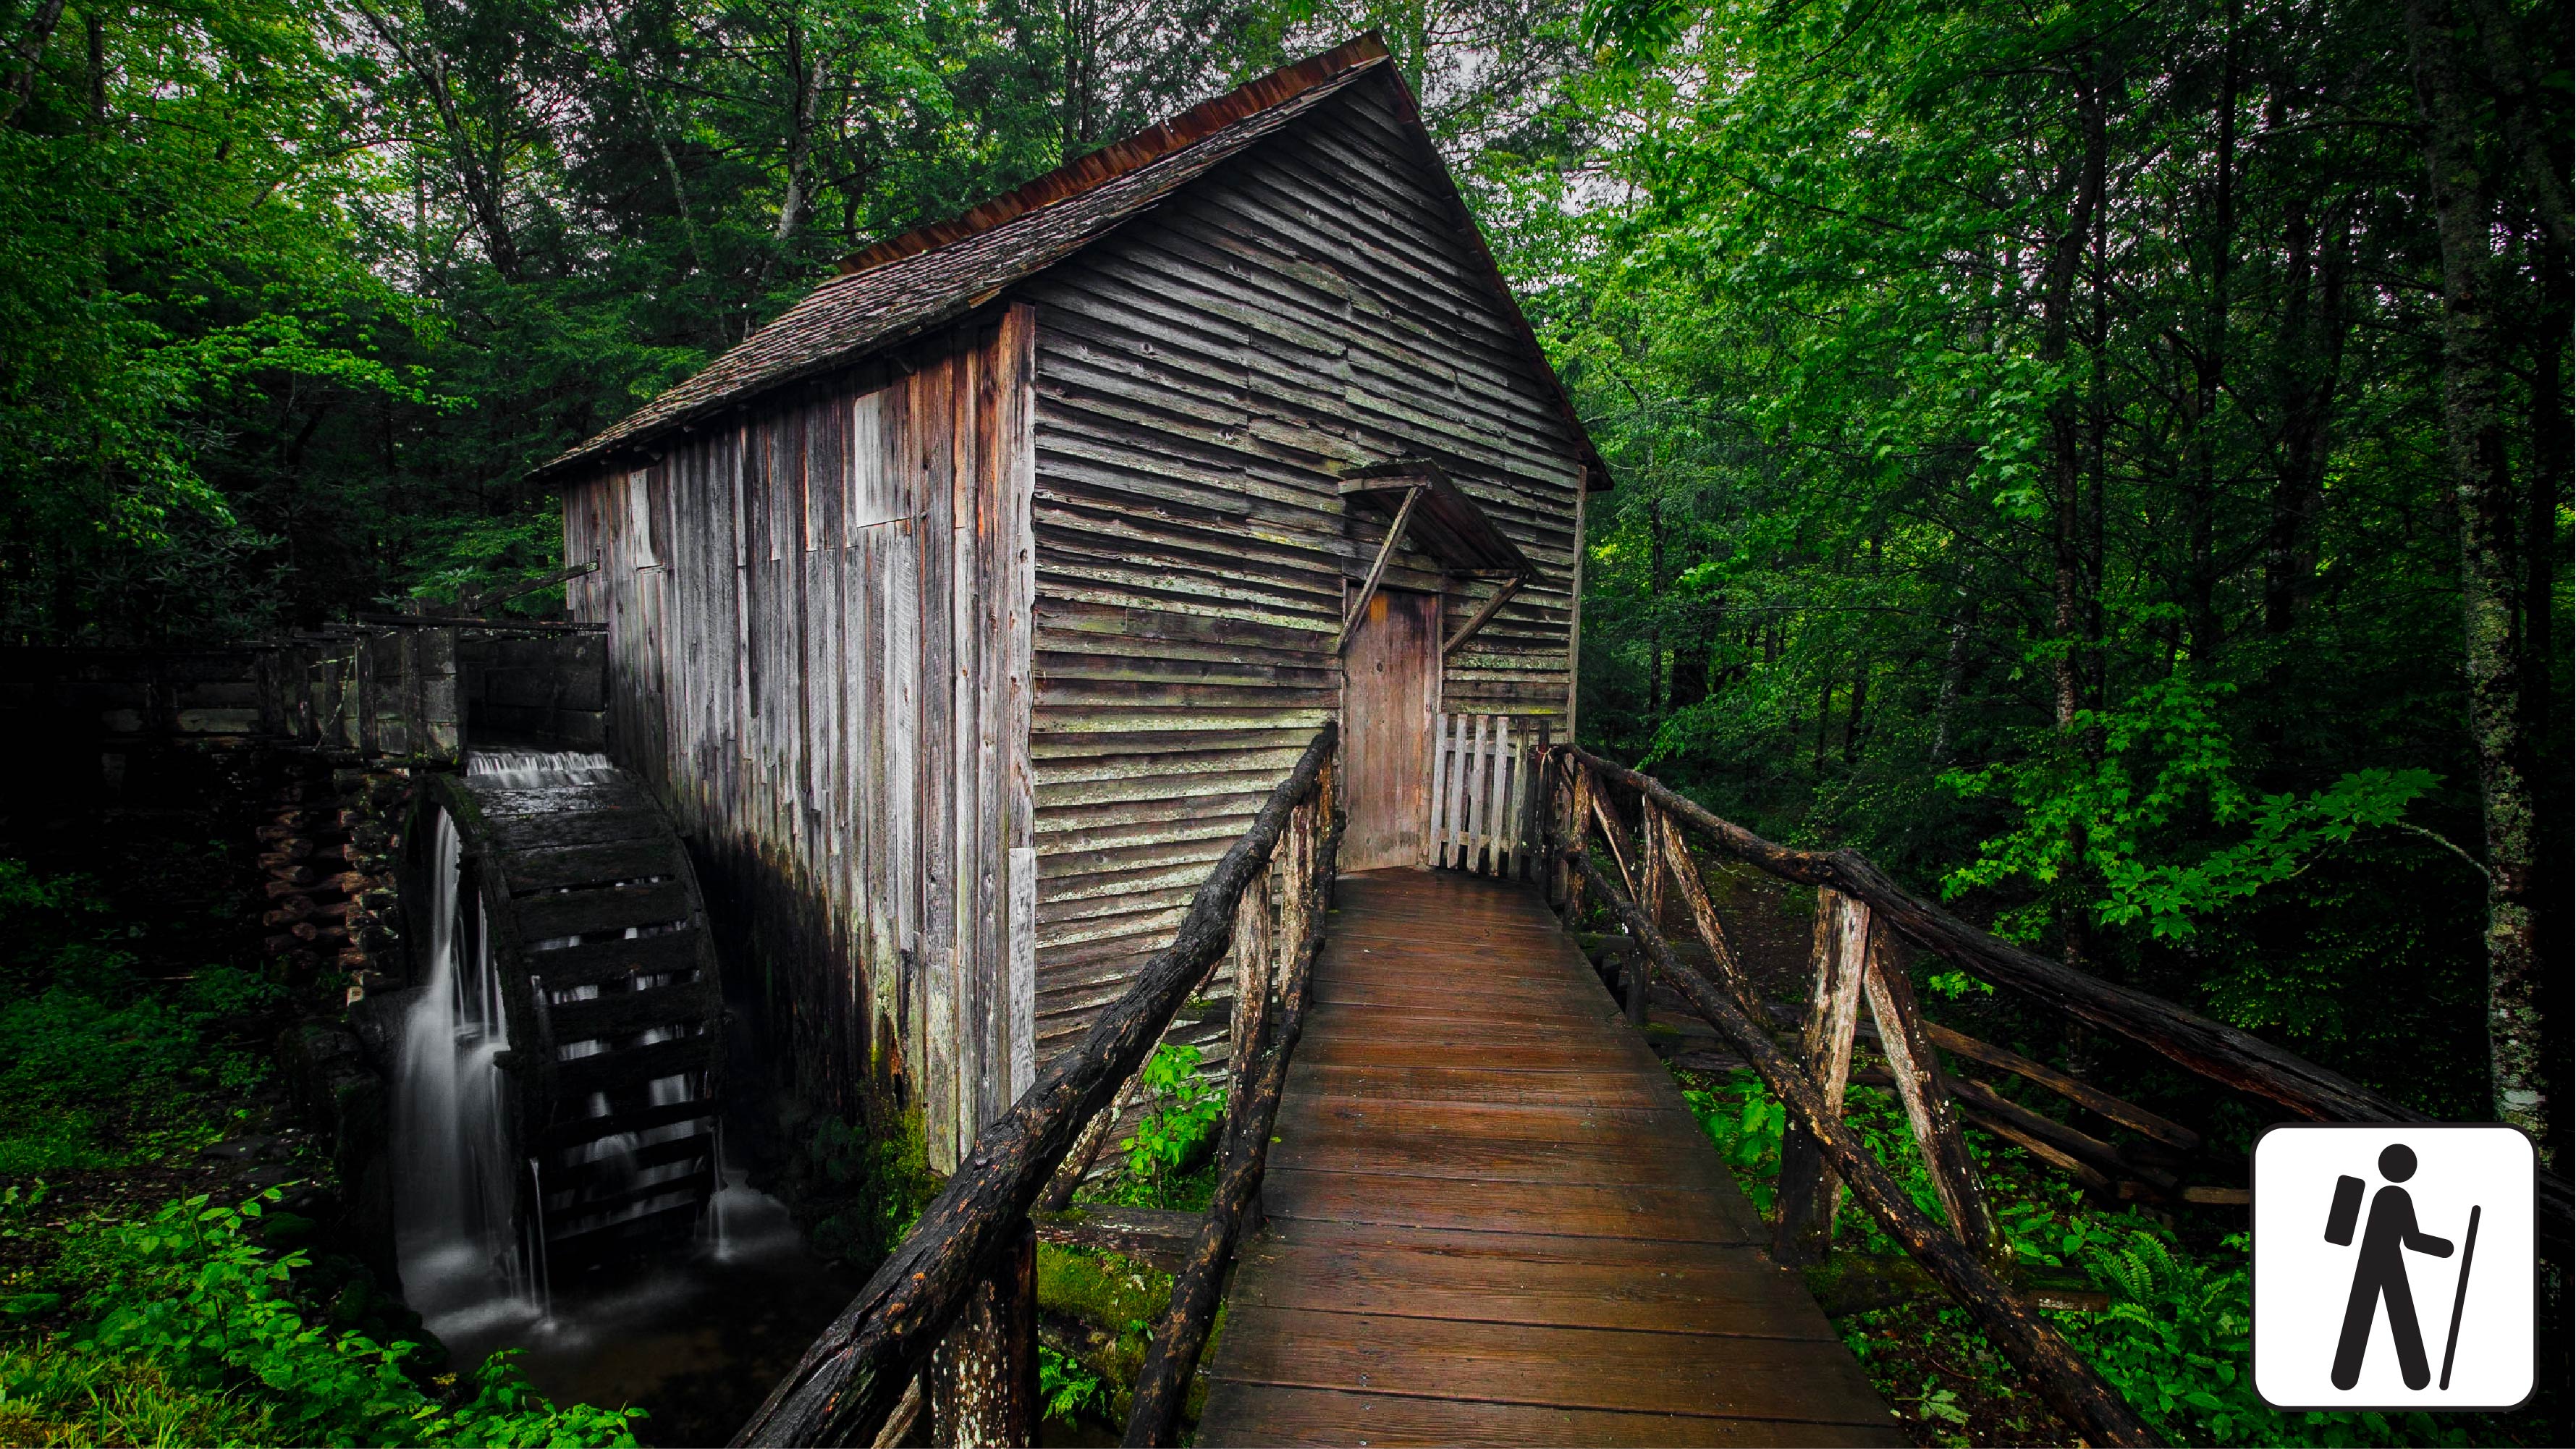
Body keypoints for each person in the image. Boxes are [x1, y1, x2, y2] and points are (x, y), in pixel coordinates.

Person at [2331, 1143, 2454, 1390]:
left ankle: (2345, 1377)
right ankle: (2415, 1377)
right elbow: (2413, 1239)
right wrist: (2446, 1248)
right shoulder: (2394, 1195)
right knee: (2399, 1316)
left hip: (2373, 1260)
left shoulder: (2357, 1183)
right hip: (2384, 1261)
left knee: (2365, 1315)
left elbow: (2339, 1233)